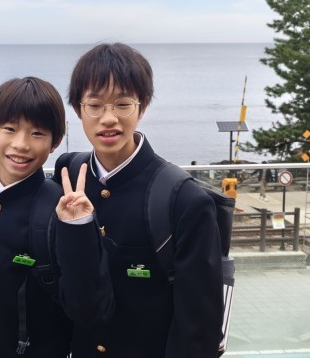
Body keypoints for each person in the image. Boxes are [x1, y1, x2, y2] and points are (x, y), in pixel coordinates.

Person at [54, 43, 222, 357]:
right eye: (95, 105)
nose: (108, 118)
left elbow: (199, 329)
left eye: (123, 104)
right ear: (77, 109)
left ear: (141, 107)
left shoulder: (183, 199)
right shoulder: (69, 173)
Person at [0, 77, 113, 357]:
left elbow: (90, 312)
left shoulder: (62, 208)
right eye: (9, 129)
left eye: (37, 133)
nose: (21, 144)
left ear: (56, 142)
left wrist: (78, 227)